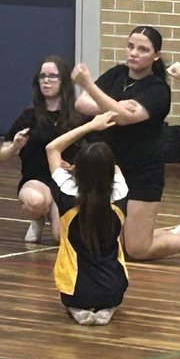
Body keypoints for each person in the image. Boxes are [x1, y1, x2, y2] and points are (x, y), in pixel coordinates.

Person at [71, 26, 180, 261]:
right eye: (131, 46)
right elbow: (82, 104)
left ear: (156, 55)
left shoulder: (158, 90)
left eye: (143, 49)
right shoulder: (117, 74)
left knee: (137, 249)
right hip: (109, 169)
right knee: (113, 241)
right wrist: (118, 105)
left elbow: (123, 118)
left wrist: (90, 86)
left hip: (142, 173)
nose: (133, 53)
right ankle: (175, 233)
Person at [44, 111, 129, 325]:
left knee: (73, 288)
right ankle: (106, 309)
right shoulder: (121, 192)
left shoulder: (66, 190)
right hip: (113, 289)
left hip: (76, 290)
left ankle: (78, 309)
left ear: (78, 168)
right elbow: (114, 170)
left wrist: (91, 126)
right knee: (111, 284)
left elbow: (52, 149)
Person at [0, 55, 81, 244]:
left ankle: (54, 211)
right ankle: (37, 218)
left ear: (64, 80)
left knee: (61, 237)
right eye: (42, 76)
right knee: (35, 200)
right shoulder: (29, 115)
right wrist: (14, 147)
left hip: (66, 182)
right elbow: (2, 154)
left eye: (52, 76)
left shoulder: (77, 116)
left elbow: (90, 150)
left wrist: (75, 167)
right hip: (36, 179)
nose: (46, 81)